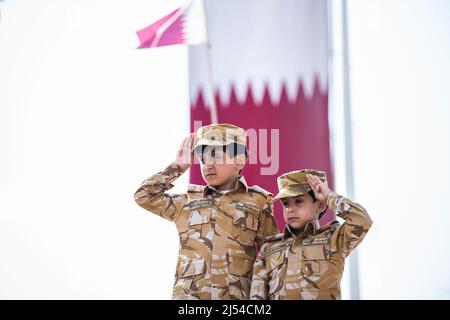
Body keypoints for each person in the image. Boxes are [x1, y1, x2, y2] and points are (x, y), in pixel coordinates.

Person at [134, 123, 279, 299]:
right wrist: (177, 167)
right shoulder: (188, 201)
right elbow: (144, 196)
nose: (207, 165)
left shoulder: (258, 202)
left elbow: (271, 258)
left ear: (239, 161)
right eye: (203, 160)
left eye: (216, 157)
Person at [250, 169, 373, 300]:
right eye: (285, 203)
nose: (290, 209)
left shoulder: (334, 240)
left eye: (298, 201)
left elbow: (362, 220)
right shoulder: (269, 249)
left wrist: (330, 196)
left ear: (320, 205)